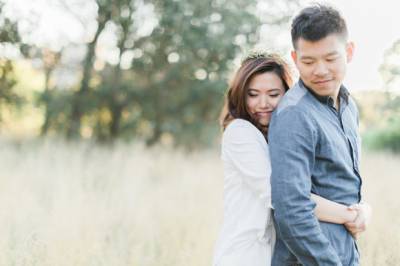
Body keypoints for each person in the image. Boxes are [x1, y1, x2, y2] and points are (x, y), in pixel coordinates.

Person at [212, 52, 370, 266]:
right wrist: (350, 214)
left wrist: (363, 208)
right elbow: (283, 196)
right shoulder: (240, 132)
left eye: (273, 94)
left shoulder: (286, 134)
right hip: (246, 255)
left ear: (287, 94)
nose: (263, 103)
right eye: (253, 94)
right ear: (241, 95)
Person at [269, 4, 371, 266]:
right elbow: (291, 209)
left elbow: (341, 182)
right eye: (308, 61)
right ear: (294, 58)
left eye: (330, 58)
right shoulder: (294, 114)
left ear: (349, 52)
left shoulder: (349, 106)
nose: (321, 70)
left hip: (345, 251)